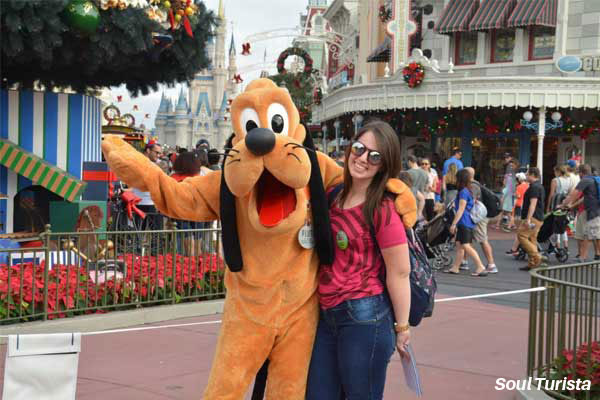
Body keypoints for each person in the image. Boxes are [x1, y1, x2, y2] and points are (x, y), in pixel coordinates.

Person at [306, 120, 411, 400]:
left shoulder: (382, 208)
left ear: (384, 165)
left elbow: (400, 272)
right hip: (326, 314)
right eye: (359, 148)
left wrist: (402, 327)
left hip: (365, 317)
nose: (363, 158)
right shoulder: (333, 196)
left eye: (374, 156)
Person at [443, 169, 488, 276]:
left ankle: (480, 266)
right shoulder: (468, 190)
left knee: (466, 245)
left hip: (464, 222)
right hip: (466, 222)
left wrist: (454, 224)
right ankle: (455, 267)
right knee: (460, 245)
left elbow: (461, 209)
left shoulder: (463, 192)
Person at [560, 164, 600, 262]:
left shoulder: (585, 180)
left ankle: (583, 257)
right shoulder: (594, 179)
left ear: (581, 173)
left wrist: (564, 204)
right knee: (592, 233)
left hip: (592, 211)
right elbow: (582, 197)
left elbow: (575, 193)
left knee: (589, 234)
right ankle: (590, 255)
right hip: (593, 209)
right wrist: (570, 205)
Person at [465, 167, 497, 273]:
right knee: (467, 239)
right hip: (476, 216)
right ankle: (463, 262)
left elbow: (472, 201)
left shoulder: (473, 185)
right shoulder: (474, 184)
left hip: (478, 217)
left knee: (482, 240)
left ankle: (491, 264)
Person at [518, 167, 546, 271]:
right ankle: (532, 263)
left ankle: (536, 256)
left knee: (521, 235)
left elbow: (532, 204)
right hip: (538, 217)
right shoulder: (539, 186)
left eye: (527, 173)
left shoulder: (534, 187)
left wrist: (528, 219)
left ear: (533, 174)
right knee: (532, 238)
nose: (525, 175)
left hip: (533, 217)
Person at [130, 140, 163, 230]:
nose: (158, 155)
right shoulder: (145, 165)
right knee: (154, 236)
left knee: (140, 234)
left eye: (159, 153)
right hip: (145, 204)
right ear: (148, 151)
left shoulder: (137, 163)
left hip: (144, 203)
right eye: (156, 152)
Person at [507, 172, 529, 255]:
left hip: (519, 203)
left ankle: (515, 226)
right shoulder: (527, 185)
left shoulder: (519, 187)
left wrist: (513, 194)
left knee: (517, 218)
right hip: (524, 204)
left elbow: (518, 196)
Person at [406, 155, 429, 220]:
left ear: (410, 162)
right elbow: (426, 188)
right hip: (421, 203)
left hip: (410, 202)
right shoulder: (425, 173)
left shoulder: (408, 173)